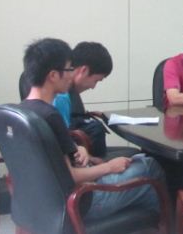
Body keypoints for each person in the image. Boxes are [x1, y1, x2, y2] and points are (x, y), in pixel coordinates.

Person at [21, 38, 165, 219]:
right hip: (78, 203)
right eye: (69, 69)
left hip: (41, 205)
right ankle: (165, 222)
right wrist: (109, 167)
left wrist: (84, 154)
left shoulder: (21, 112)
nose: (71, 75)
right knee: (150, 166)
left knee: (144, 183)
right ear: (53, 75)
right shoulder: (51, 116)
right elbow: (71, 176)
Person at [53, 41, 113, 156]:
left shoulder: (62, 94)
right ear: (84, 70)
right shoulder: (61, 97)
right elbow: (63, 151)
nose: (93, 87)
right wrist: (105, 164)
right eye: (96, 81)